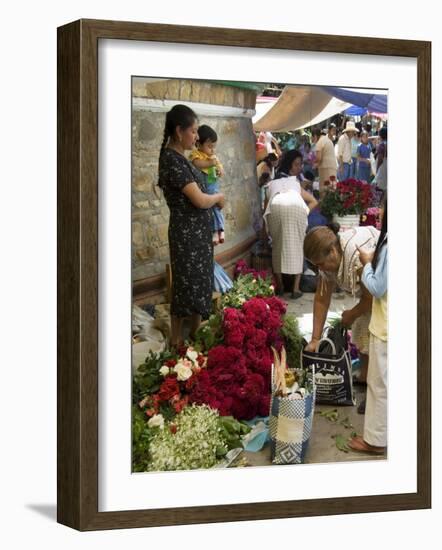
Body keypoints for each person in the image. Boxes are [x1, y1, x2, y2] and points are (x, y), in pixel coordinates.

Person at [158, 105, 225, 348]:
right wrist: (218, 198)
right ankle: (177, 341)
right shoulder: (172, 161)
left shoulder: (181, 159)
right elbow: (199, 199)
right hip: (187, 234)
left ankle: (195, 333)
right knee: (186, 284)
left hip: (196, 234)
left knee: (199, 282)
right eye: (193, 131)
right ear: (179, 131)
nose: (197, 137)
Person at [303, 223, 380, 385]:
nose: (319, 269)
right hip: (372, 292)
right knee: (361, 326)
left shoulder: (356, 257)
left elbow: (371, 297)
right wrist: (315, 339)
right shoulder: (328, 260)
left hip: (386, 287)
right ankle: (365, 377)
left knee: (375, 333)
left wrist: (351, 315)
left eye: (320, 264)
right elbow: (321, 299)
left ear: (332, 251)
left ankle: (376, 388)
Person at [349, 199, 388, 454]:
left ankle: (375, 441)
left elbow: (377, 287)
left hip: (386, 324)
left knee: (379, 385)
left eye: (384, 207)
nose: (380, 211)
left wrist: (365, 265)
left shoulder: (391, 243)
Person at [263, 150, 318, 299]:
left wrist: (265, 231)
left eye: (301, 164)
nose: (300, 167)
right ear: (289, 165)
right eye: (297, 164)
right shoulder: (294, 182)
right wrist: (304, 212)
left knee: (277, 246)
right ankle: (295, 289)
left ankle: (280, 287)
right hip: (296, 205)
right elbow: (314, 201)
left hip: (275, 205)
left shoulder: (272, 183)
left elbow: (266, 208)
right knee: (298, 245)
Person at [189, 124, 226, 244]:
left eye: (214, 147)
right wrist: (211, 163)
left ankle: (220, 229)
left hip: (212, 183)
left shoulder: (213, 157)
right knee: (211, 208)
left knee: (216, 208)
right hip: (204, 186)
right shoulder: (196, 154)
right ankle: (215, 230)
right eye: (209, 146)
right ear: (199, 144)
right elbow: (197, 164)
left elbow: (220, 168)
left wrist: (220, 170)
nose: (212, 150)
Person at [314, 124, 337, 195]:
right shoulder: (326, 140)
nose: (312, 140)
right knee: (332, 187)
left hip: (325, 167)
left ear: (315, 136)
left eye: (312, 138)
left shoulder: (319, 142)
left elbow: (319, 158)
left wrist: (314, 165)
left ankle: (324, 205)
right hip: (332, 166)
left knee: (324, 189)